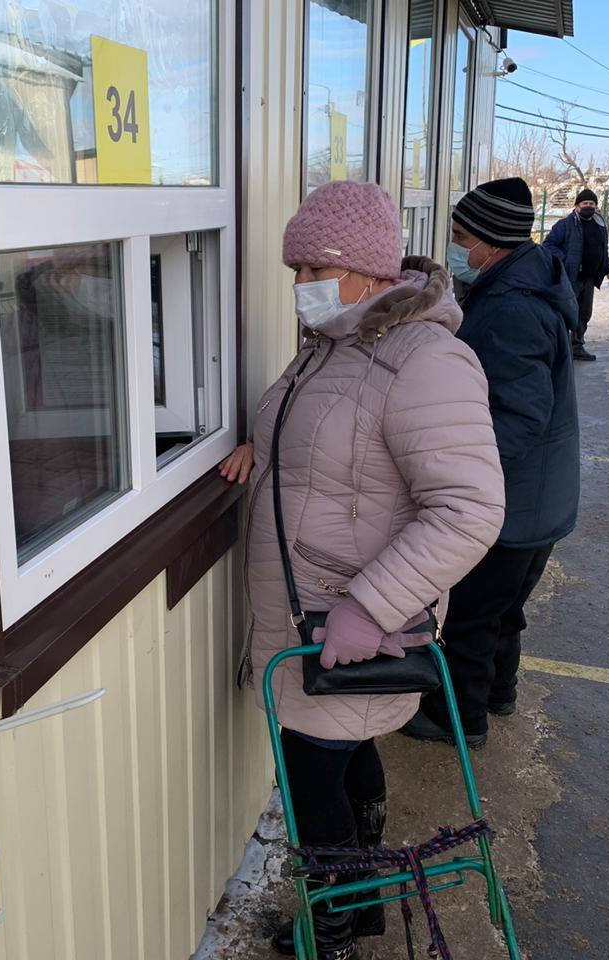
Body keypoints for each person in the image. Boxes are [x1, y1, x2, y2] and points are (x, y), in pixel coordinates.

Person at [219, 180, 505, 959]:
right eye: (296, 270)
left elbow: (471, 509)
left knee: (315, 789)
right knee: (347, 754)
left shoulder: (425, 360)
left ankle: (333, 932)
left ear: (368, 273)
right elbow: (338, 448)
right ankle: (368, 902)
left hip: (341, 622)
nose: (301, 286)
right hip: (309, 615)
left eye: (315, 268)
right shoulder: (335, 341)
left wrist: (371, 607)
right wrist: (260, 448)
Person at [401, 177, 580, 751]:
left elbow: (517, 415)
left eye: (459, 237)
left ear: (492, 242)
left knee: (472, 617)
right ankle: (500, 692)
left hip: (513, 506)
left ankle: (460, 721)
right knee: (504, 610)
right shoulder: (522, 281)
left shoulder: (511, 308)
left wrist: (465, 480)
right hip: (541, 501)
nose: (455, 248)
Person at [541, 188, 609, 362]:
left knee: (584, 314)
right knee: (565, 312)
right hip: (570, 278)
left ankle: (576, 346)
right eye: (585, 203)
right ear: (577, 206)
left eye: (592, 204)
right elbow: (548, 245)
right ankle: (557, 347)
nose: (588, 206)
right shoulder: (566, 225)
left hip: (589, 278)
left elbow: (603, 251)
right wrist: (565, 260)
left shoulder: (600, 225)